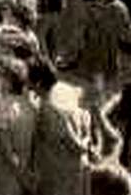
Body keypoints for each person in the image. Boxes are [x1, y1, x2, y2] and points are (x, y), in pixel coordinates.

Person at [30, 58, 91, 195]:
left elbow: (72, 142)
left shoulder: (49, 108)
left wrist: (83, 143)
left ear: (39, 83)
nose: (29, 87)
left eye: (30, 83)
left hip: (58, 177)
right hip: (77, 170)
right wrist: (86, 138)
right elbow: (86, 117)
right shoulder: (68, 90)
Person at [78, 0, 131, 106]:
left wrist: (128, 41)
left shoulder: (120, 9)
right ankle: (95, 110)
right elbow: (83, 27)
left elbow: (127, 33)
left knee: (103, 88)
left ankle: (98, 111)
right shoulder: (92, 6)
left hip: (109, 54)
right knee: (96, 86)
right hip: (93, 52)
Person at [0, 56, 36, 195]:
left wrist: (21, 178)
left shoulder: (1, 106)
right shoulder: (30, 106)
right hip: (27, 170)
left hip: (6, 174)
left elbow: (5, 149)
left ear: (8, 81)